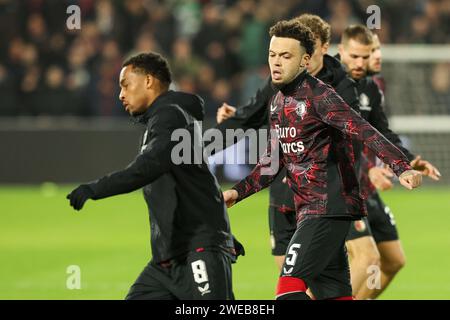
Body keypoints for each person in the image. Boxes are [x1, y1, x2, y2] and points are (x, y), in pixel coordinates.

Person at [223, 19, 422, 300]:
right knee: (336, 296)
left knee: (288, 289)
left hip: (328, 209)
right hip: (310, 211)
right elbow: (271, 164)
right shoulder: (279, 102)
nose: (276, 62)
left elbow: (363, 128)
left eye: (286, 55)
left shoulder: (320, 96)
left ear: (305, 59)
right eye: (272, 55)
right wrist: (236, 192)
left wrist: (401, 166)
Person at [67, 52, 243, 300]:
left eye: (125, 85)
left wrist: (95, 189)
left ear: (148, 81)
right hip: (168, 260)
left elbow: (146, 168)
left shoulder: (169, 116)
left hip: (197, 249)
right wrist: (221, 231)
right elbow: (195, 181)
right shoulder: (166, 119)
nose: (121, 94)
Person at [214, 14, 360, 272]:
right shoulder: (277, 86)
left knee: (295, 282)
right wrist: (204, 144)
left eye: (291, 53)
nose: (281, 60)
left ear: (320, 49)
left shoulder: (338, 88)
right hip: (283, 197)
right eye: (275, 54)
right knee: (309, 284)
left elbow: (357, 136)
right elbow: (252, 118)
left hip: (323, 199)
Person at [338, 26, 441, 299]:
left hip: (365, 186)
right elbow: (332, 143)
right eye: (357, 55)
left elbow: (382, 132)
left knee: (393, 260)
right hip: (337, 187)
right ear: (341, 52)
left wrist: (407, 162)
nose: (365, 61)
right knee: (365, 259)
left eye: (369, 53)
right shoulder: (330, 87)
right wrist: (370, 170)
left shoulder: (370, 89)